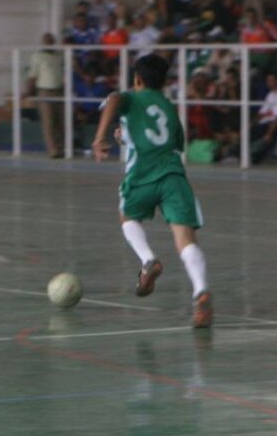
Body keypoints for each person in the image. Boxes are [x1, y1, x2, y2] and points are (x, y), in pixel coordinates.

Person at [90, 54, 213, 328]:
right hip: (172, 176)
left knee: (127, 217)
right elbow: (169, 142)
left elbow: (113, 100)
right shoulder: (168, 107)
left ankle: (148, 260)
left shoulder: (132, 97)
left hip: (142, 175)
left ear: (137, 79)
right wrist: (128, 135)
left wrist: (101, 137)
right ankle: (201, 291)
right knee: (185, 240)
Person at [27, 33, 66, 158]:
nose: (49, 43)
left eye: (51, 41)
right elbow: (32, 76)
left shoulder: (59, 56)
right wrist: (29, 92)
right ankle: (52, 150)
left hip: (59, 90)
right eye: (47, 41)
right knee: (48, 121)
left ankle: (61, 148)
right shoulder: (37, 56)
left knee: (60, 121)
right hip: (44, 91)